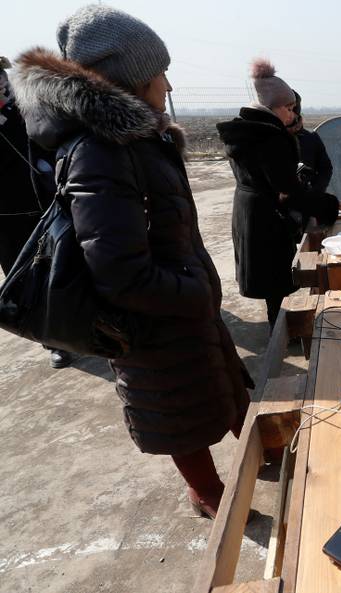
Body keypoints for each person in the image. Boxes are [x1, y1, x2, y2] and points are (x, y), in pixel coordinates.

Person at [13, 4, 251, 518]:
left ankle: (262, 449)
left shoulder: (135, 139)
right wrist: (193, 292)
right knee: (176, 407)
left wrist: (195, 289)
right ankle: (207, 492)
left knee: (220, 384)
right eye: (161, 72)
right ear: (133, 79)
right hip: (151, 317)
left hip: (179, 300)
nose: (169, 83)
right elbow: (118, 270)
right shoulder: (100, 151)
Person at [217, 60, 307, 329]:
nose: (292, 114)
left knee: (271, 276)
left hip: (251, 209)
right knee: (275, 276)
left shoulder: (246, 130)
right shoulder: (268, 137)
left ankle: (278, 326)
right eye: (288, 108)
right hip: (265, 214)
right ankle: (279, 332)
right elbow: (283, 183)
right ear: (273, 107)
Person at [0, 56, 72, 369]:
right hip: (6, 217)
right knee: (25, 279)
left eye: (1, 76)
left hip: (45, 204)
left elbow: (50, 138)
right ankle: (53, 341)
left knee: (64, 267)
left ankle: (86, 326)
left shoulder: (27, 106)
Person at [287, 90, 333, 198]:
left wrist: (315, 192)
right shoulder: (271, 138)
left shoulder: (310, 138)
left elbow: (325, 169)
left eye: (290, 109)